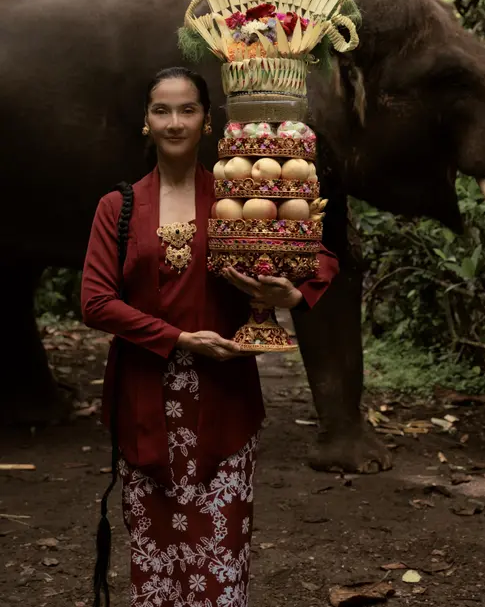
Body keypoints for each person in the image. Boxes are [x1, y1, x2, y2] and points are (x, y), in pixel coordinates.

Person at [81, 66, 339, 607]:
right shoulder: (118, 207)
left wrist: (292, 294)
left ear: (207, 122)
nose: (174, 122)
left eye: (188, 110)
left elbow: (317, 256)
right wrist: (180, 338)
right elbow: (96, 302)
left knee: (221, 560)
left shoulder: (240, 193)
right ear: (146, 122)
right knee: (154, 563)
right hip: (143, 400)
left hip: (226, 400)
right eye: (161, 110)